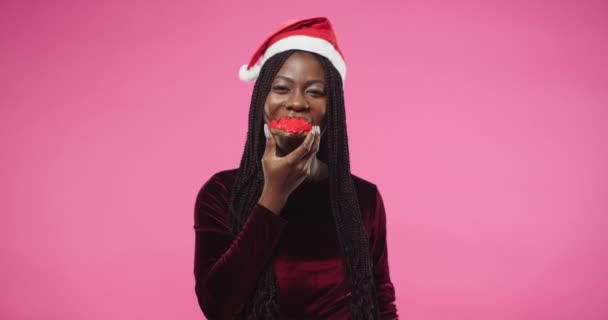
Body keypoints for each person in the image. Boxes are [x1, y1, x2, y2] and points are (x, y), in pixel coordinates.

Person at [193, 17, 398, 319]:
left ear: (333, 110)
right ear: (262, 99)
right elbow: (217, 307)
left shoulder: (363, 198)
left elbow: (381, 302)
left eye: (315, 92)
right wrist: (273, 197)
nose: (297, 103)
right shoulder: (221, 193)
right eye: (281, 88)